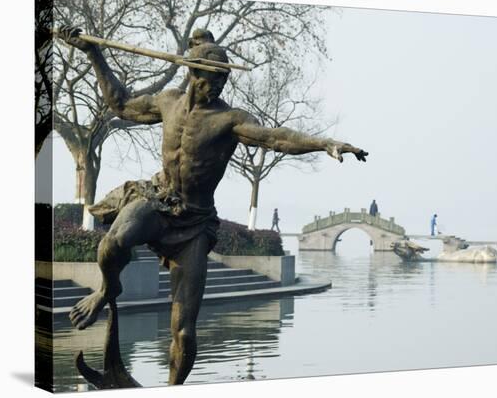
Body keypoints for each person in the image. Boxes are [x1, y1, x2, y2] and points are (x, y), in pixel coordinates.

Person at [58, 27, 368, 385]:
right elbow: (122, 105)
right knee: (113, 242)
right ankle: (108, 288)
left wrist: (324, 143)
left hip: (195, 223)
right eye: (212, 79)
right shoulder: (168, 101)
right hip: (160, 200)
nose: (219, 86)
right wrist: (93, 54)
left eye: (223, 80)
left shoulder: (229, 120)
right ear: (193, 72)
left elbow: (277, 137)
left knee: (185, 332)